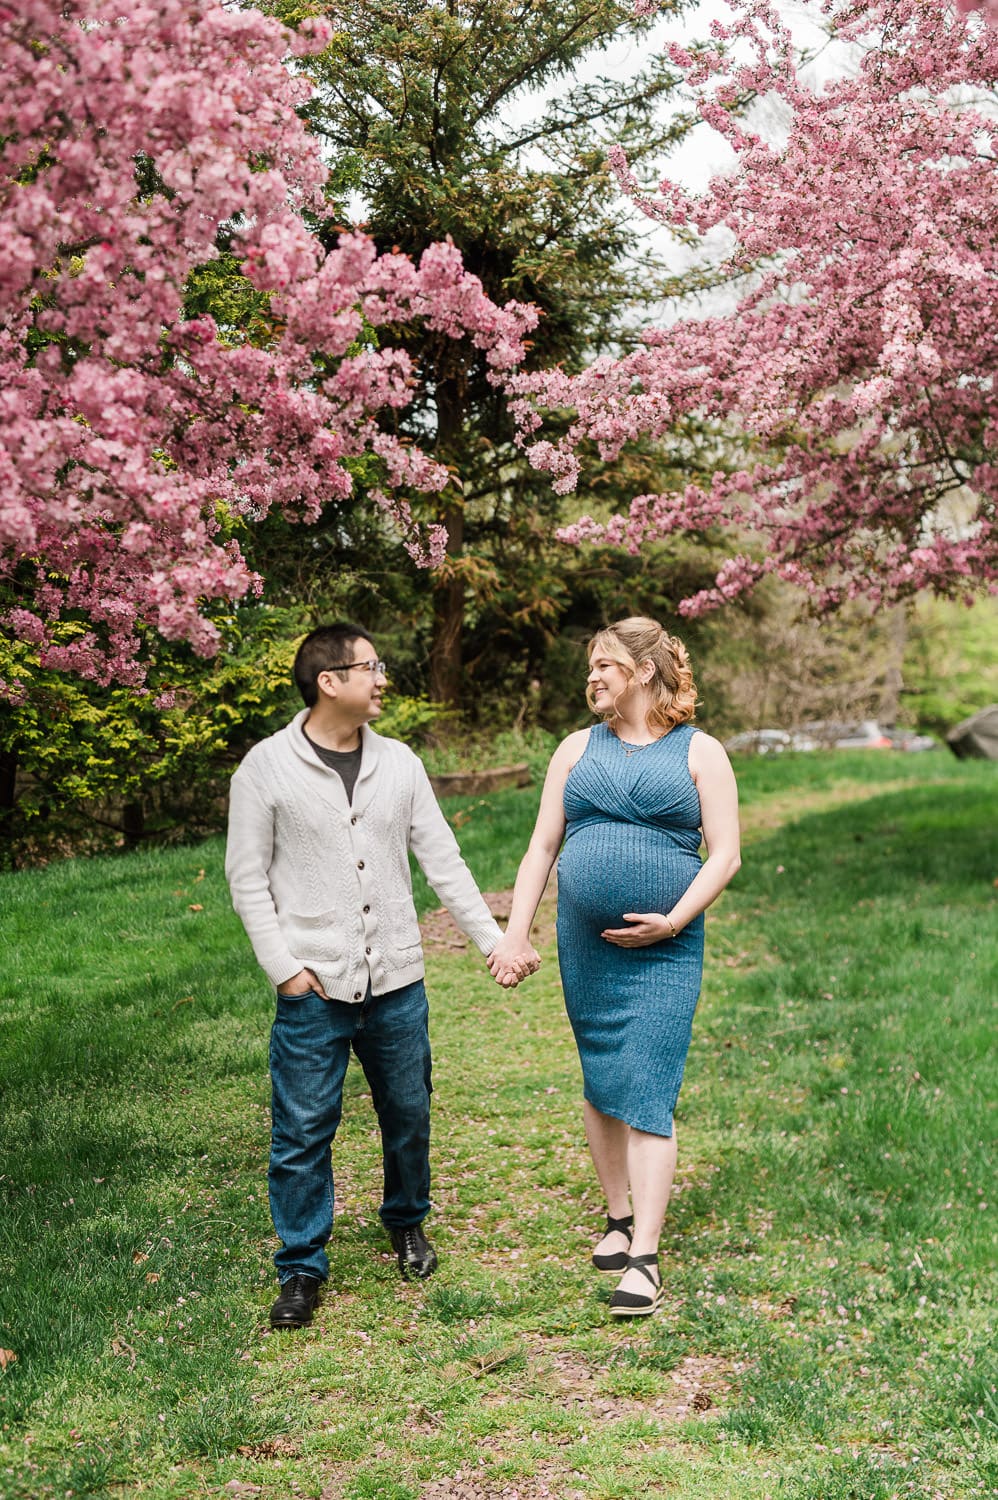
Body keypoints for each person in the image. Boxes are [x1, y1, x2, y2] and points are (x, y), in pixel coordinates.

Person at [225, 622, 533, 1330]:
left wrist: (494, 943)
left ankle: (406, 1221)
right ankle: (301, 1264)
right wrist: (286, 972)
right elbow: (246, 881)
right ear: (330, 681)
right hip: (314, 988)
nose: (383, 678)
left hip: (397, 980)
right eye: (372, 667)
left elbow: (445, 861)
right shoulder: (265, 769)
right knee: (302, 1131)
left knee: (409, 1112)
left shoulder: (400, 765)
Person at [487, 617, 741, 1316]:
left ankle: (646, 1259)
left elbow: (725, 853)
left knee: (648, 1084)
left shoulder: (701, 752)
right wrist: (515, 935)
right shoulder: (575, 750)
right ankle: (617, 1216)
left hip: (666, 946)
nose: (592, 678)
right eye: (591, 667)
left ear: (645, 671)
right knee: (602, 1075)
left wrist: (674, 919)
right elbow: (542, 849)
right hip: (587, 942)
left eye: (604, 665)